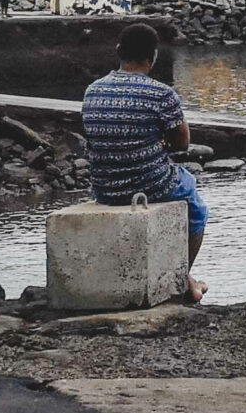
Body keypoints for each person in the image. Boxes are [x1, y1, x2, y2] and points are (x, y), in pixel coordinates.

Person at [81, 23, 207, 303]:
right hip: (149, 185)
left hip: (104, 189)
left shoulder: (93, 90)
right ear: (153, 55)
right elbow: (182, 143)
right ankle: (182, 274)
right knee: (195, 204)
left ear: (118, 52)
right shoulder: (162, 94)